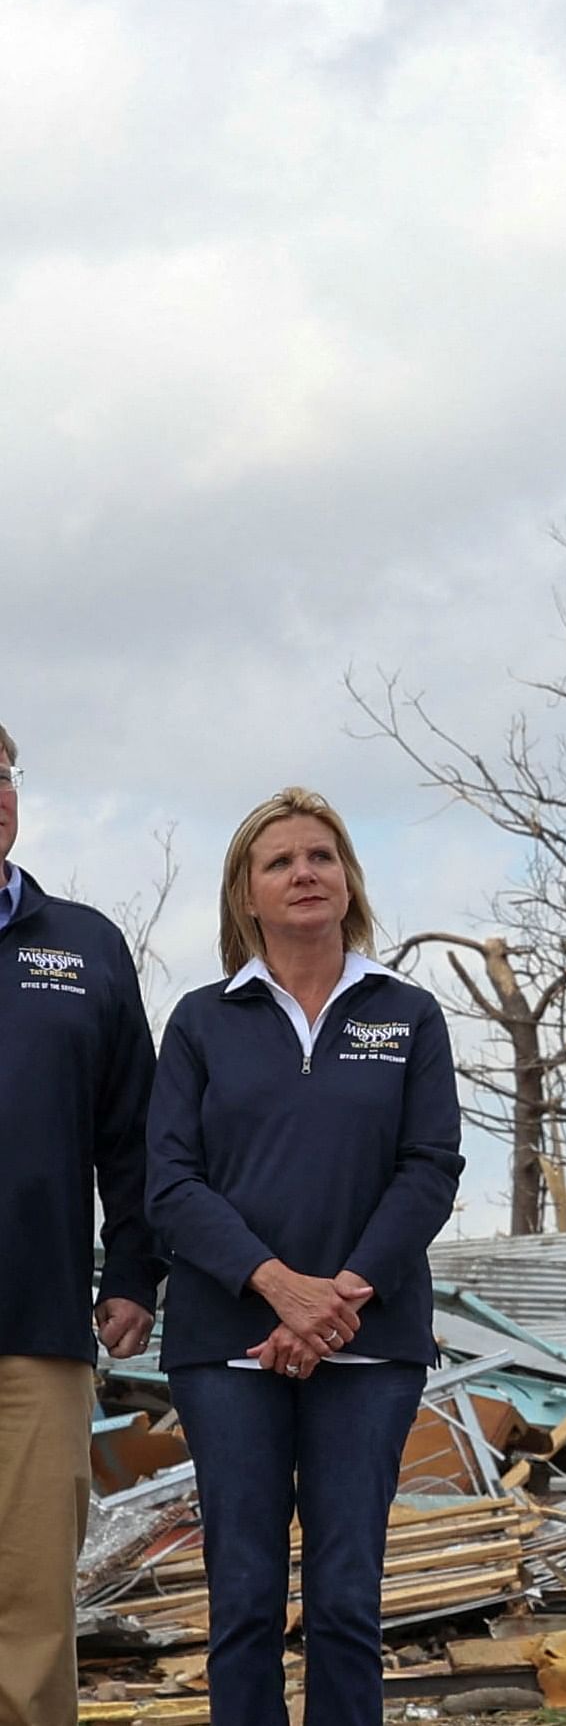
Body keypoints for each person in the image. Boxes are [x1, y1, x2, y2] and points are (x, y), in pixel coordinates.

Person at [146, 789, 462, 1726]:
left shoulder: (407, 1014)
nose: (304, 873)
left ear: (349, 878)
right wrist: (281, 1292)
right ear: (247, 895)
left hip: (370, 1346)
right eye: (279, 861)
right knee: (242, 1598)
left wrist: (340, 1300)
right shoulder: (201, 1023)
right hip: (227, 1347)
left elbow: (430, 1166)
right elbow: (169, 1186)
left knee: (345, 1600)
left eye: (321, 856)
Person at [0, 722, 163, 1726]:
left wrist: (135, 1272)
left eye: (3, 774)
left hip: (38, 1335)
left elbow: (134, 1131)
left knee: (30, 1610)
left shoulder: (84, 946)